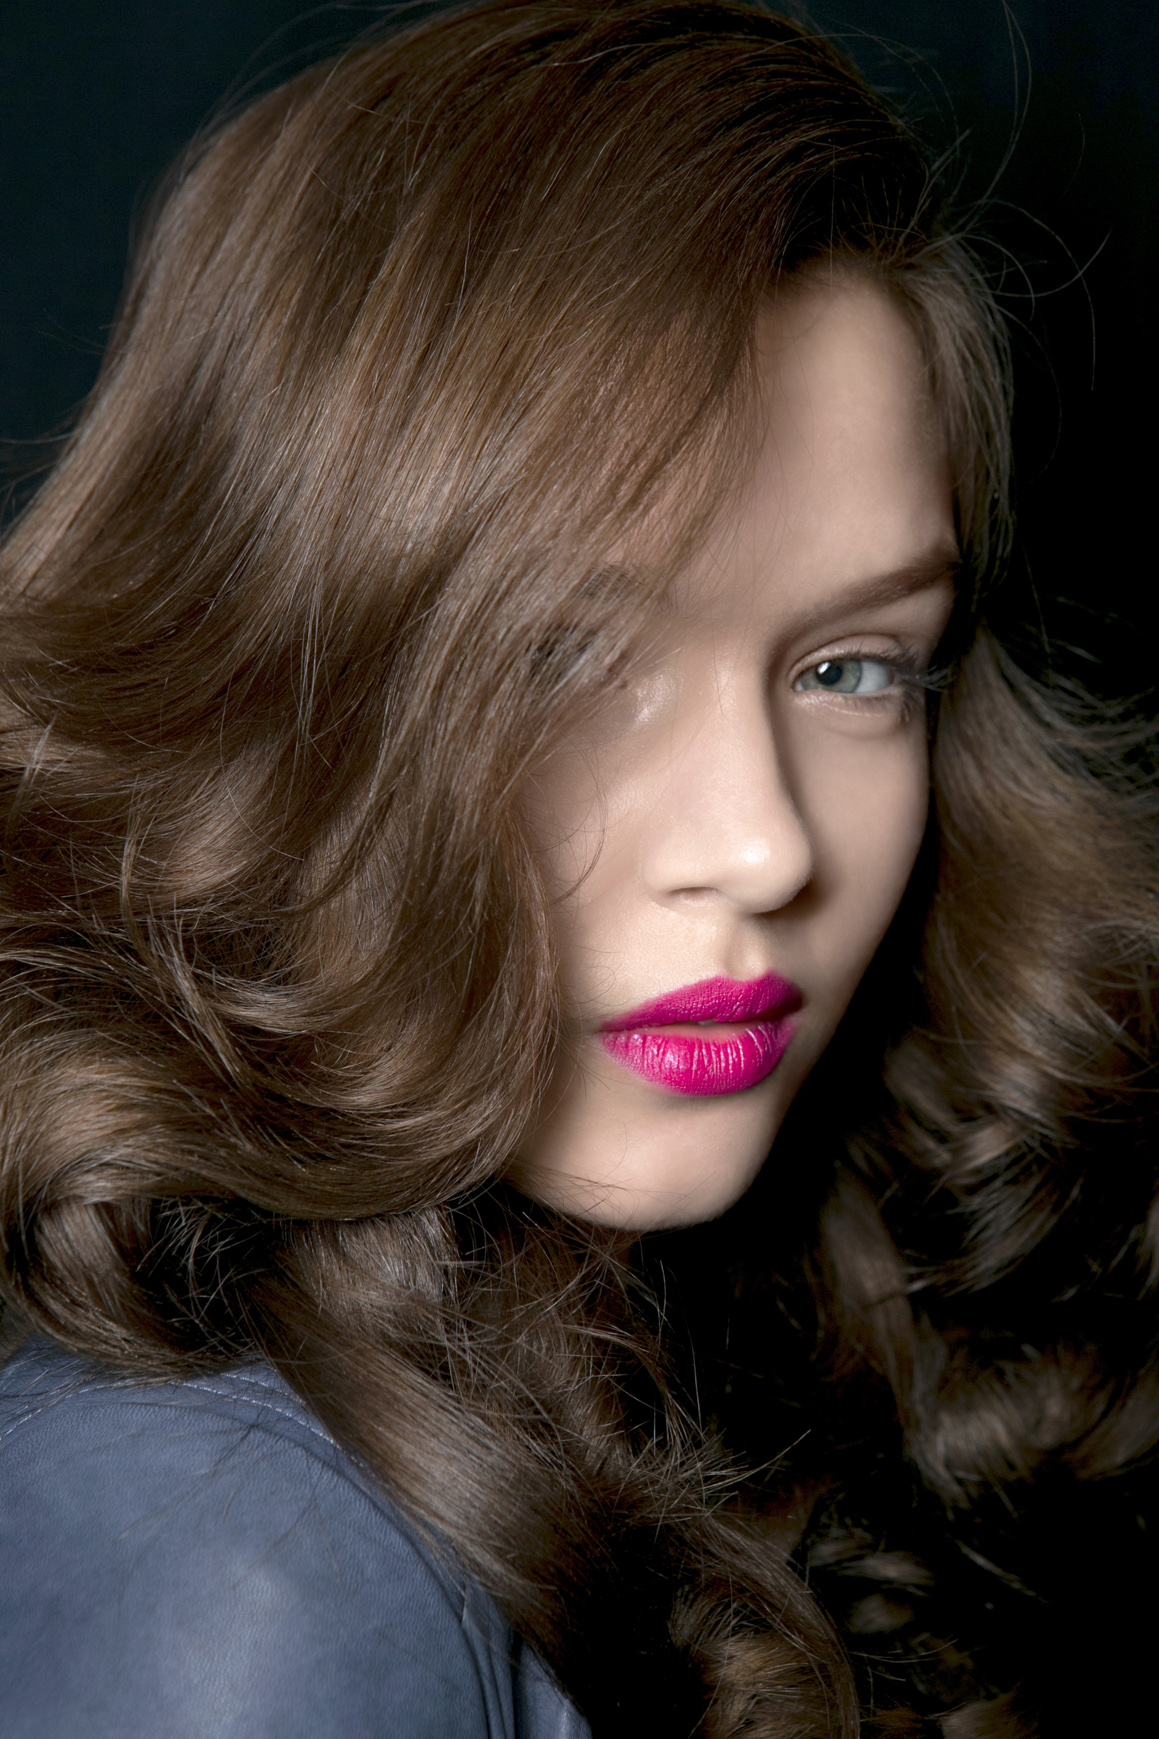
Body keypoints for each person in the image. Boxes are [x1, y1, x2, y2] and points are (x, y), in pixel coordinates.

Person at [0, 2, 1153, 1734]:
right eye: (569, 659)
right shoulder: (234, 1574)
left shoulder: (767, 1329)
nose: (763, 847)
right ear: (270, 682)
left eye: (853, 667)